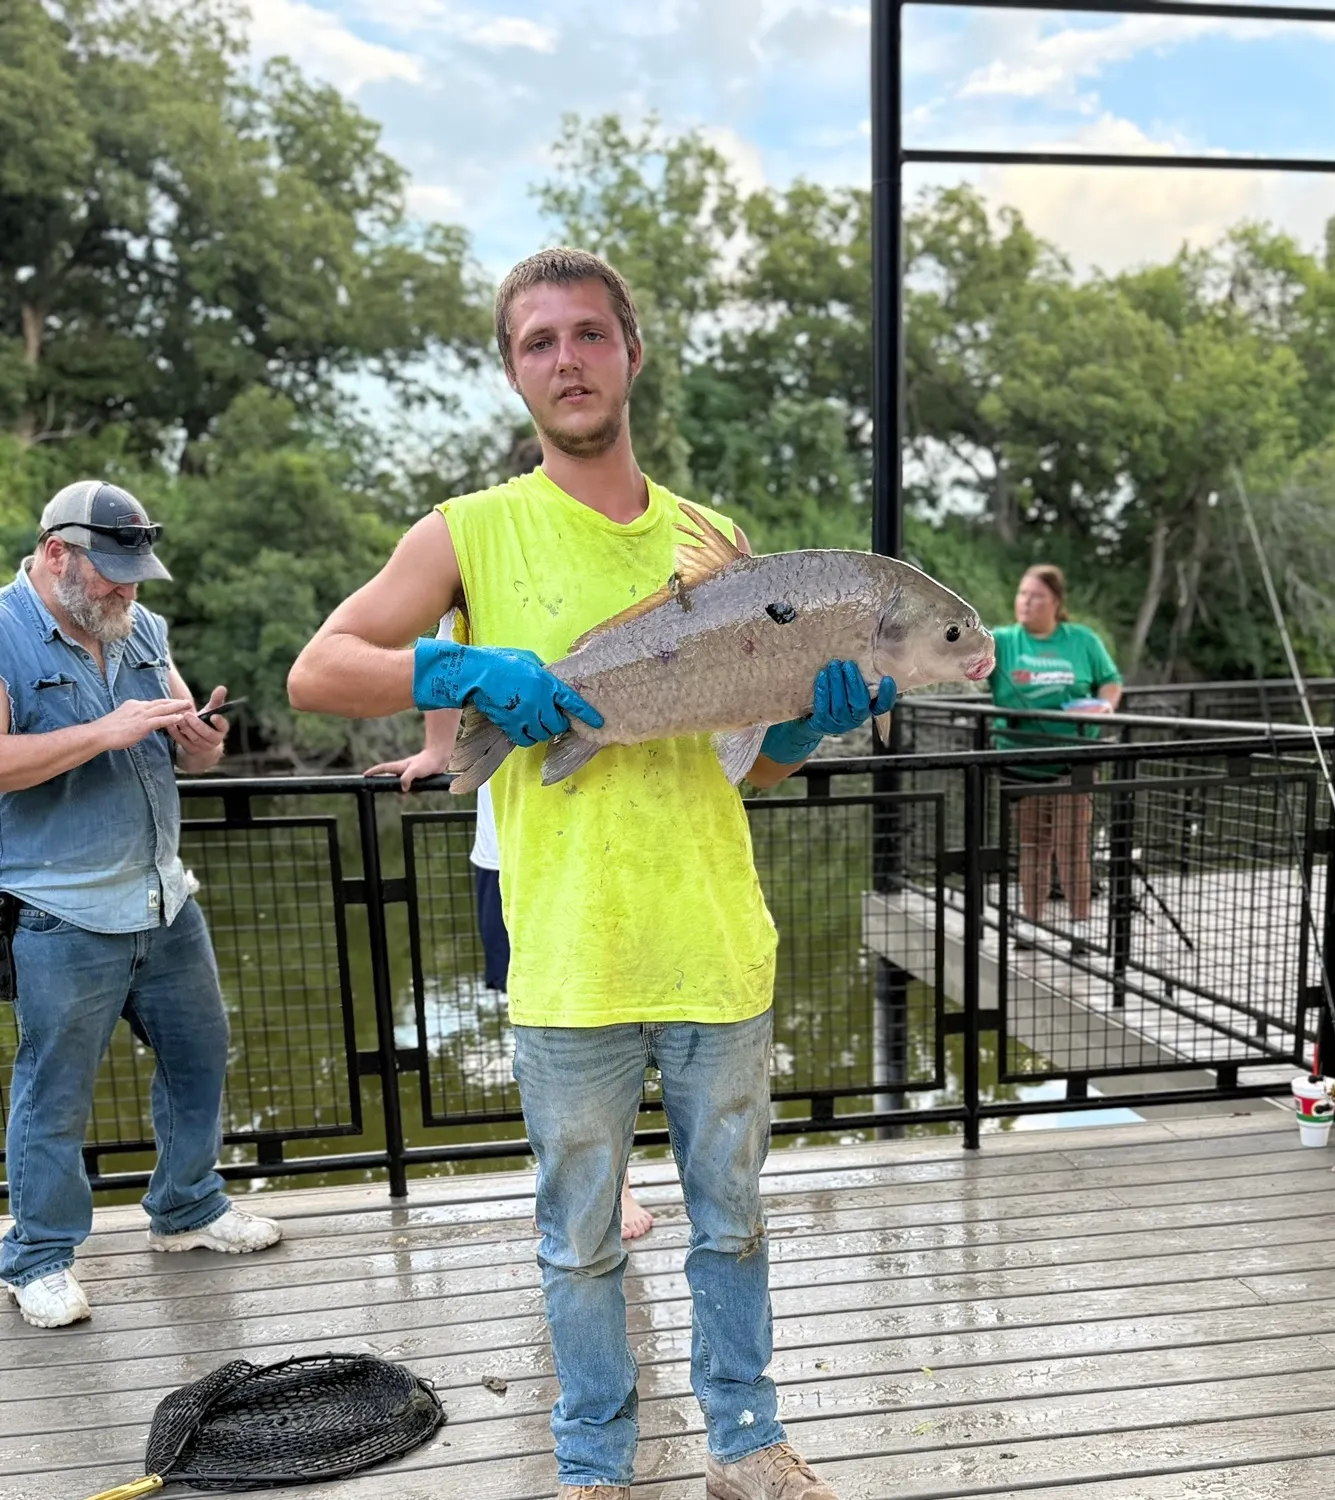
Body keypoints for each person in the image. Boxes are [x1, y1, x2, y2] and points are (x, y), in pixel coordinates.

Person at [290, 247, 894, 1500]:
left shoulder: (715, 541)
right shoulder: (471, 531)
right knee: (577, 1246)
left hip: (718, 941)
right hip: (565, 957)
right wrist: (457, 674)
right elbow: (321, 670)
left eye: (587, 335)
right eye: (538, 343)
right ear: (515, 373)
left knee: (733, 1224)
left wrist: (799, 725)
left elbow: (749, 770)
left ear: (630, 352)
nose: (566, 360)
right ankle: (593, 1464)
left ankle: (746, 1445)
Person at [0, 482, 281, 1330]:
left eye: (135, 574)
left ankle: (186, 1209)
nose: (128, 590)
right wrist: (104, 732)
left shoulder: (143, 628)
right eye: (113, 574)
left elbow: (188, 748)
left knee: (201, 1057)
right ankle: (38, 1258)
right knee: (56, 1093)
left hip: (164, 899)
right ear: (57, 555)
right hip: (59, 911)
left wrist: (204, 742)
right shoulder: (5, 630)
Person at [366, 605, 656, 1241]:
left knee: (619, 1016)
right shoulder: (468, 569)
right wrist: (438, 750)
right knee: (535, 1024)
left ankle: (619, 1178)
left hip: (609, 843)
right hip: (508, 857)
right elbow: (440, 666)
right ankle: (567, 1172)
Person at [988, 564, 1123, 952]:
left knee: (1072, 844)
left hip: (1073, 758)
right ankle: (1030, 925)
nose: (1026, 602)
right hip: (1021, 759)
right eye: (1022, 594)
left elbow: (1111, 680)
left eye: (1036, 596)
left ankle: (1079, 928)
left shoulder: (1081, 640)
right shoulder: (1003, 641)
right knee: (1033, 845)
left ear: (1056, 602)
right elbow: (964, 662)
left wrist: (1104, 707)